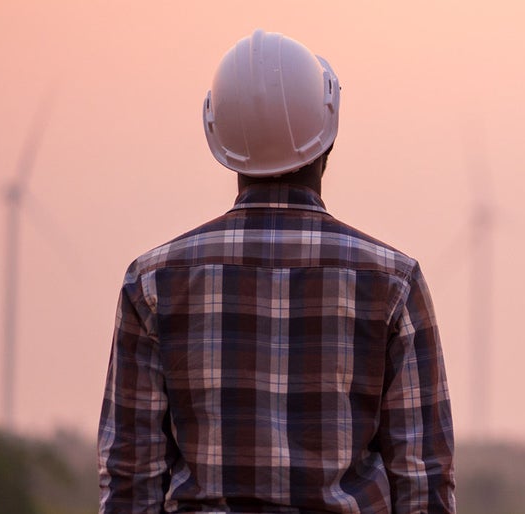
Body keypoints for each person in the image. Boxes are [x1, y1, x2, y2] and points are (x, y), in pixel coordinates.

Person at [98, 29, 455, 513]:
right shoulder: (394, 283)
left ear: (218, 136)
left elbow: (130, 482)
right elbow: (424, 484)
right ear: (328, 135)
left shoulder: (152, 283)